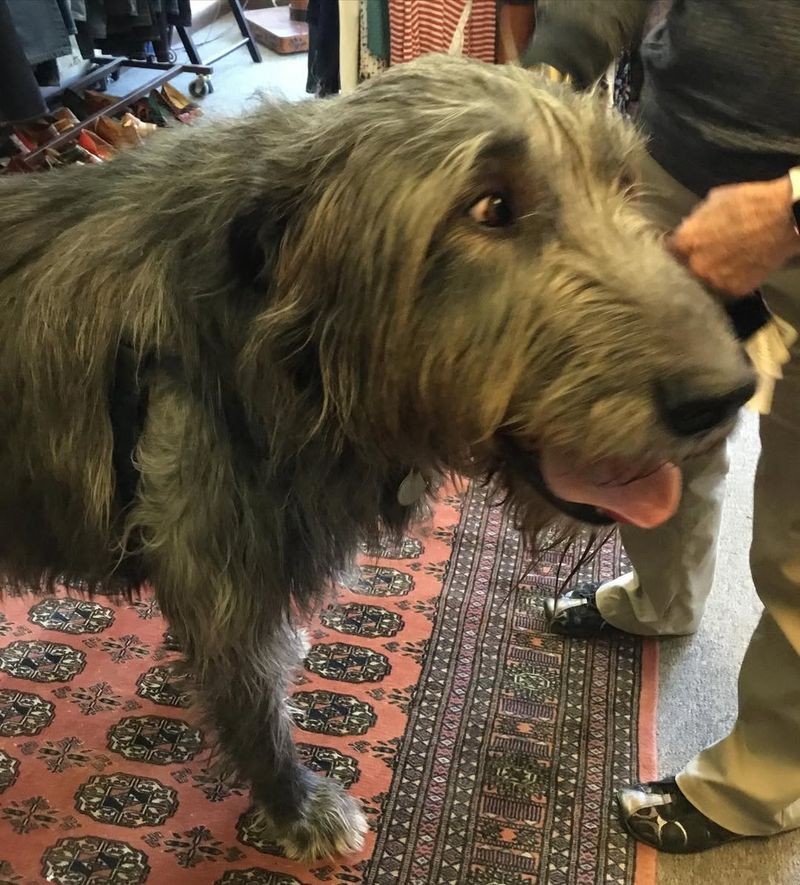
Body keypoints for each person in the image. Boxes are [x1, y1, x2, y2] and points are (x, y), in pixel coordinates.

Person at [521, 0, 800, 854]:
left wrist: (793, 207)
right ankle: (661, 598)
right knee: (644, 421)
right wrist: (535, 92)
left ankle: (761, 782)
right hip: (672, 153)